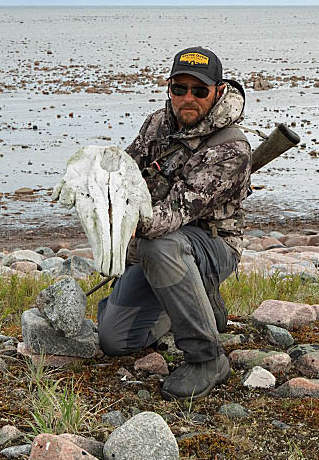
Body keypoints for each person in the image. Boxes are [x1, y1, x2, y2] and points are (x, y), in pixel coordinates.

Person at [97, 46, 251, 400]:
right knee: (114, 340)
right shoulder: (157, 124)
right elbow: (125, 173)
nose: (187, 99)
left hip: (211, 246)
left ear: (218, 91)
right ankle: (199, 304)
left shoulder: (231, 149)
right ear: (168, 89)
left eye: (199, 91)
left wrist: (127, 223)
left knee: (160, 243)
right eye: (178, 89)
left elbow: (175, 213)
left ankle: (206, 357)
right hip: (161, 250)